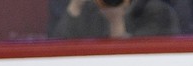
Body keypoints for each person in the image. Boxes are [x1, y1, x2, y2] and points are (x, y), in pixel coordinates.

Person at [49, 0, 180, 38]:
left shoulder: (156, 11)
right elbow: (56, 52)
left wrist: (116, 22)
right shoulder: (85, 10)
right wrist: (75, 7)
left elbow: (139, 63)